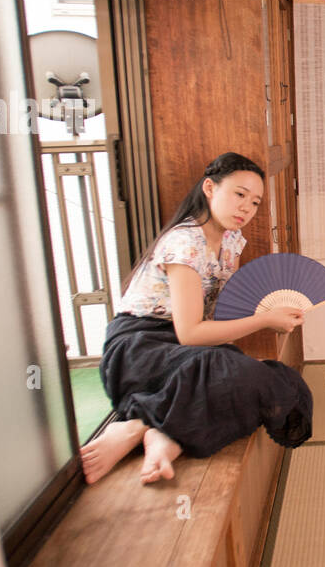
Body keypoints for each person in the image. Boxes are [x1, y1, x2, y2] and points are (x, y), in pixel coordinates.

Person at [80, 151, 312, 485]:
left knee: (278, 383)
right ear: (209, 188)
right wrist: (264, 322)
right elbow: (189, 332)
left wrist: (268, 313)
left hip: (183, 351)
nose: (247, 207)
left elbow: (213, 318)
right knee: (240, 377)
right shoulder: (185, 242)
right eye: (239, 194)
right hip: (142, 348)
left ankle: (160, 433)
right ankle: (137, 427)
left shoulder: (231, 240)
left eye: (256, 202)